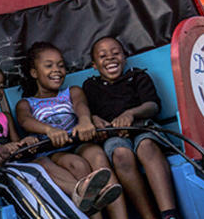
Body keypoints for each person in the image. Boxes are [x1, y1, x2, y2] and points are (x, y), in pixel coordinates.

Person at [0, 63, 115, 216]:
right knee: (37, 169)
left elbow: (18, 144)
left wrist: (26, 142)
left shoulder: (4, 116)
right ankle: (82, 193)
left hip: (13, 162)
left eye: (1, 85)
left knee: (42, 163)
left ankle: (81, 191)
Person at [16, 42, 126, 218]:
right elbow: (25, 120)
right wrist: (49, 130)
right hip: (53, 151)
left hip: (78, 143)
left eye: (61, 65)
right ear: (34, 73)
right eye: (49, 65)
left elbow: (81, 106)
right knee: (77, 165)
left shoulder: (71, 92)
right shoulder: (27, 103)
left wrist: (84, 121)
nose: (57, 70)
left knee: (97, 155)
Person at [83, 37, 179, 219]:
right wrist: (94, 119)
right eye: (103, 56)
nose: (110, 58)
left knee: (146, 146)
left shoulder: (137, 76)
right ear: (94, 65)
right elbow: (88, 113)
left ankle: (169, 214)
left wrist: (131, 113)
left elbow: (152, 106)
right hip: (114, 136)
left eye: (116, 53)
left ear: (125, 58)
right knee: (120, 154)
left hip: (143, 128)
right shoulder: (91, 86)